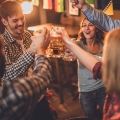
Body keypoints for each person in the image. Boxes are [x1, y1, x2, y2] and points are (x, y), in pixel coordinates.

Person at [57, 28, 120, 120]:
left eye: (108, 50)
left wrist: (69, 43)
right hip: (86, 91)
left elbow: (99, 67)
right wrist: (72, 47)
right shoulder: (80, 44)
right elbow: (99, 65)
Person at [0, 27, 53, 120]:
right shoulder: (11, 94)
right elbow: (42, 78)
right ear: (5, 21)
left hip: (40, 99)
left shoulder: (27, 35)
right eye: (2, 50)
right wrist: (40, 48)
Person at [76, 17, 106, 120]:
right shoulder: (78, 45)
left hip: (103, 88)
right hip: (86, 92)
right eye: (84, 25)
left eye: (90, 25)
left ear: (96, 28)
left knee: (107, 116)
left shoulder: (104, 46)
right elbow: (68, 49)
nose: (87, 28)